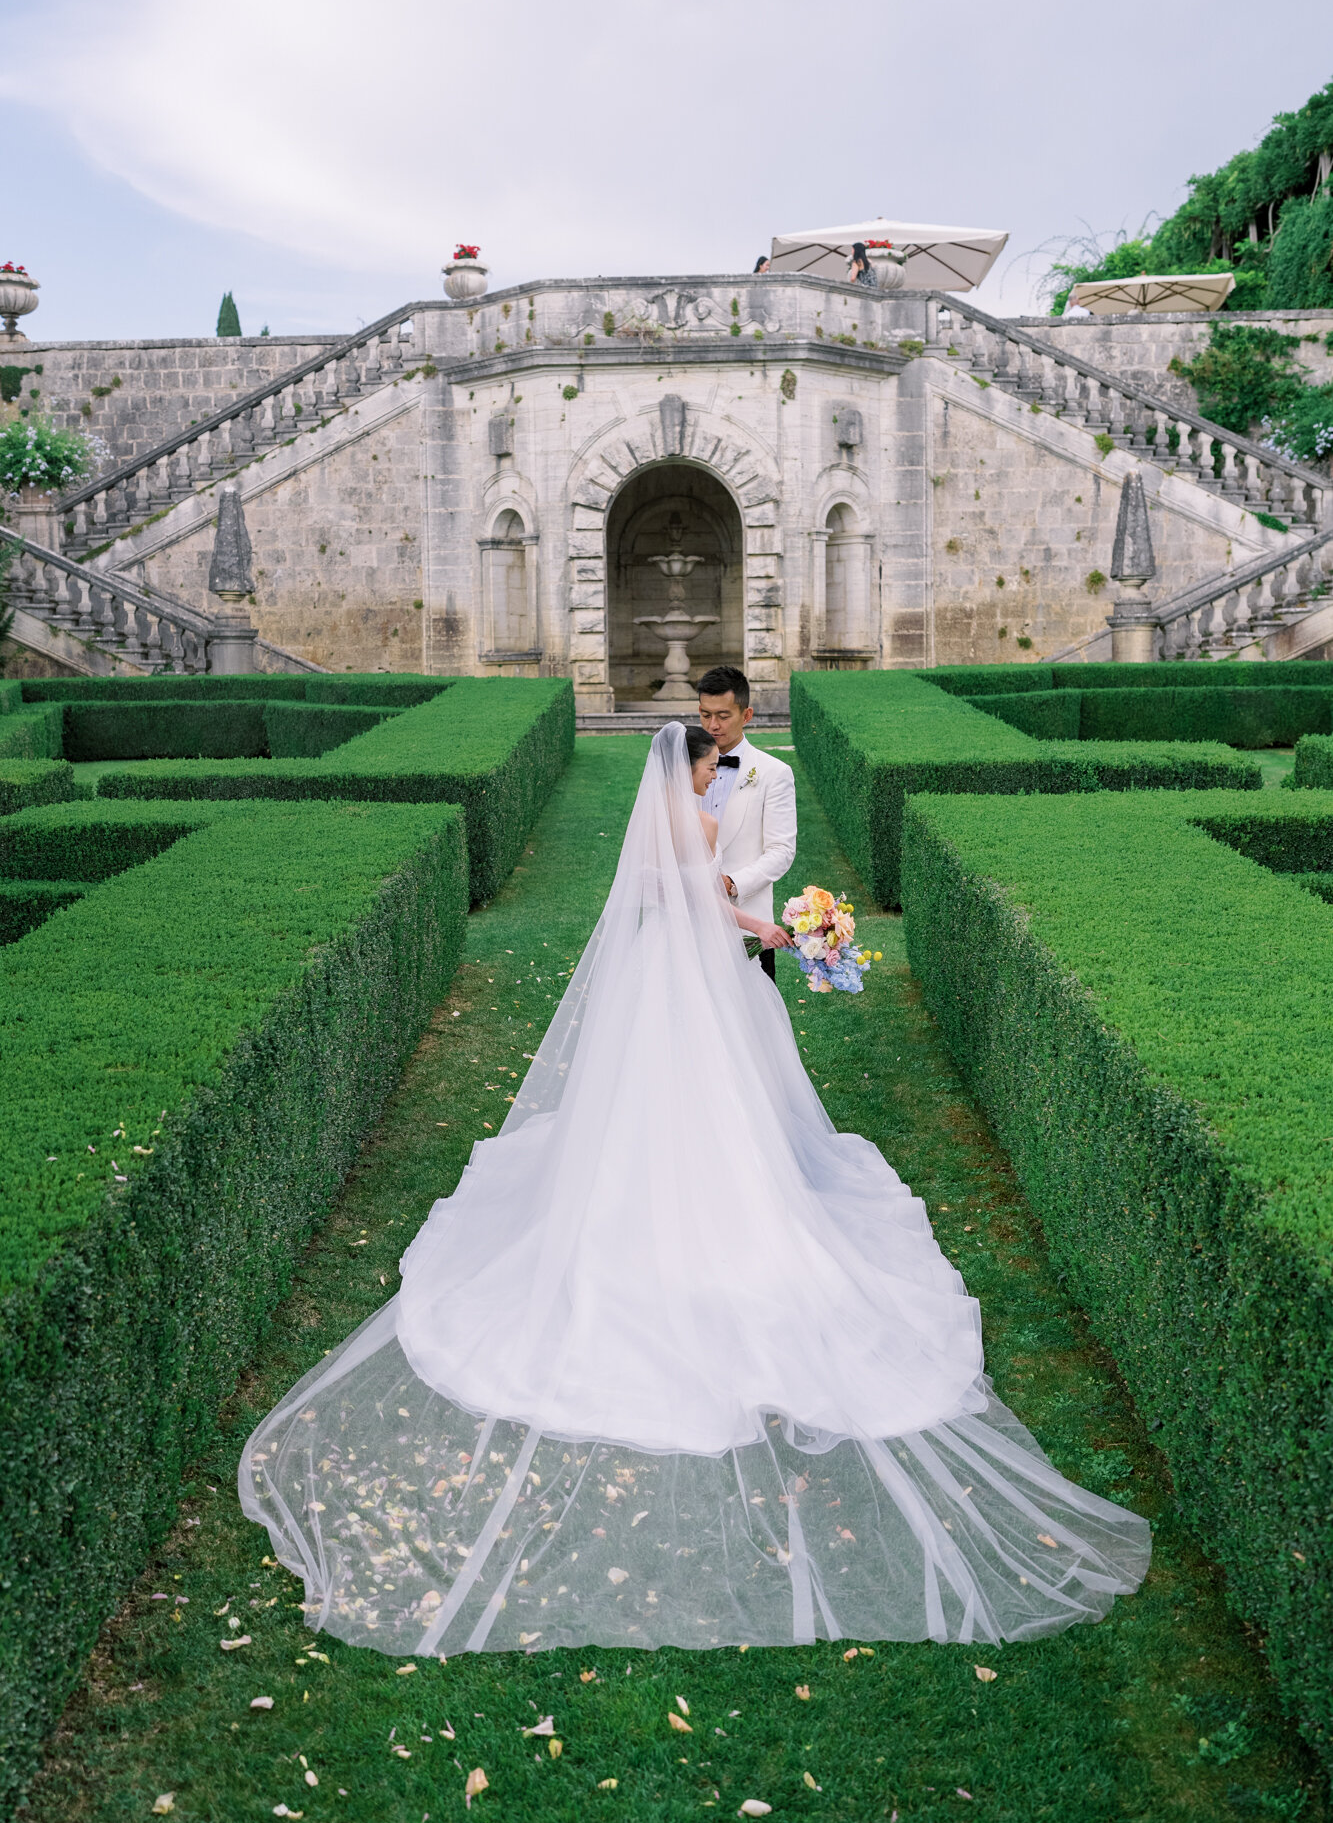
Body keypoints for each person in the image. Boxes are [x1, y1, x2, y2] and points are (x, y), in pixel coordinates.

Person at [240, 724, 1150, 1659]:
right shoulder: (695, 818)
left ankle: (646, 1200)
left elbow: (669, 896)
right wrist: (772, 930)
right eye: (710, 762)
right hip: (700, 969)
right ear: (691, 769)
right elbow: (706, 900)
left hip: (658, 973)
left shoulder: (662, 816)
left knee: (653, 1100)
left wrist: (759, 921)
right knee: (719, 1096)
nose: (718, 769)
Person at [697, 665, 797, 984]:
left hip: (748, 927)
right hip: (687, 925)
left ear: (747, 714)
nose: (712, 725)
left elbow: (781, 851)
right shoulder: (678, 769)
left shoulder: (774, 773)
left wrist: (732, 883)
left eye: (723, 716)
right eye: (705, 715)